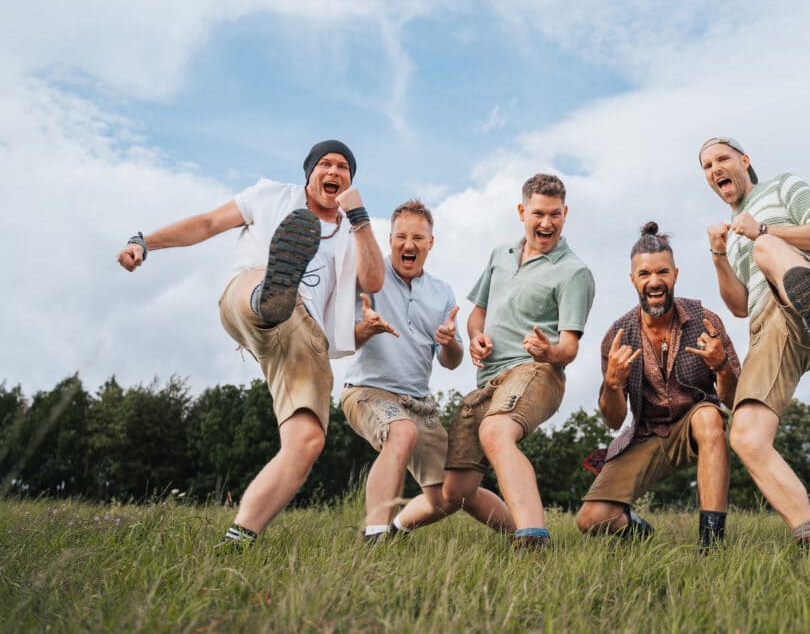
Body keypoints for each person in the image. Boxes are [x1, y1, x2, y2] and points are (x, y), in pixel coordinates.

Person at [117, 139, 384, 550]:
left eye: (344, 167)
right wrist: (145, 241)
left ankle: (238, 538)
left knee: (307, 442)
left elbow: (373, 280)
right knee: (260, 281)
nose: (334, 172)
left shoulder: (351, 231)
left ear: (350, 181)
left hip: (303, 334)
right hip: (247, 296)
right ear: (309, 172)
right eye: (326, 164)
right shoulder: (270, 196)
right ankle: (268, 297)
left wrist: (360, 217)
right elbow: (207, 224)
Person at [699, 136, 810, 548]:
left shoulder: (783, 186)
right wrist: (719, 254)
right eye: (706, 166)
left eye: (722, 158)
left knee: (767, 250)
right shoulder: (731, 232)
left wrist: (763, 230)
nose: (715, 168)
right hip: (770, 324)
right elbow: (739, 307)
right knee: (745, 435)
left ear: (744, 160)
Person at [339, 199, 513, 543]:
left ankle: (528, 536)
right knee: (401, 433)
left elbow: (452, 361)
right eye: (401, 236)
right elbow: (340, 342)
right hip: (367, 390)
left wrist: (449, 342)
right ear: (389, 239)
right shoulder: (368, 277)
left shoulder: (442, 292)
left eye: (418, 238)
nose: (409, 244)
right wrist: (364, 329)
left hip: (418, 403)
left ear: (430, 243)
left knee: (453, 493)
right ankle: (374, 537)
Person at [443, 173, 596, 549]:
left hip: (536, 372)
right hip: (489, 381)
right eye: (539, 213)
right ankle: (520, 530)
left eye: (555, 214)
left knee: (496, 431)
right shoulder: (500, 256)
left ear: (566, 213)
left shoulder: (574, 272)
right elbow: (476, 314)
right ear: (521, 211)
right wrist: (476, 337)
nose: (547, 223)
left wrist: (549, 352)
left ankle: (532, 539)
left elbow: (570, 348)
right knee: (457, 491)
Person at [575, 222, 741, 550]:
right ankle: (638, 531)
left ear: (675, 274)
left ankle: (712, 544)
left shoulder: (706, 321)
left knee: (709, 418)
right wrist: (612, 384)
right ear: (633, 280)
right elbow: (612, 419)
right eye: (645, 274)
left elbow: (734, 400)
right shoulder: (617, 335)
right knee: (590, 520)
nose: (655, 282)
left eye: (662, 272)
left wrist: (721, 366)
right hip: (646, 433)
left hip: (695, 423)